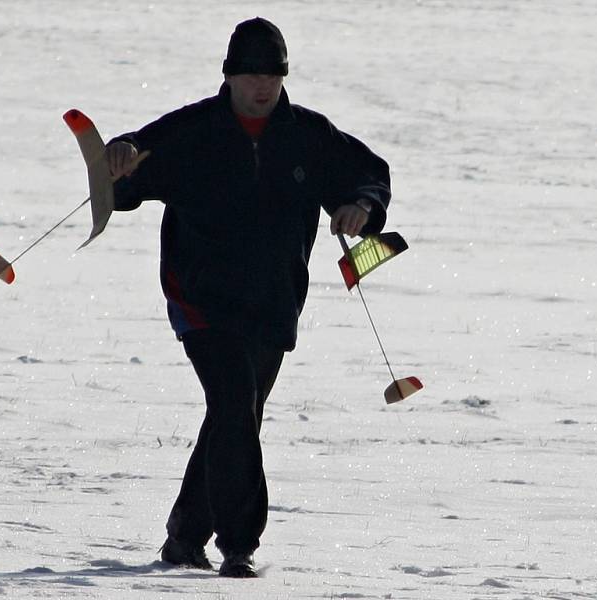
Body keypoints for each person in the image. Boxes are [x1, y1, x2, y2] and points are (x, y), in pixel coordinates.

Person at [106, 17, 391, 578]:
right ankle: (240, 545)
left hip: (274, 301)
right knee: (235, 402)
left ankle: (184, 539)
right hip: (200, 299)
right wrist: (118, 156)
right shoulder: (194, 130)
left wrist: (361, 207)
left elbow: (368, 174)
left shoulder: (308, 134)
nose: (263, 86)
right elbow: (128, 175)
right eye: (251, 74)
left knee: (234, 417)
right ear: (229, 76)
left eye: (273, 75)